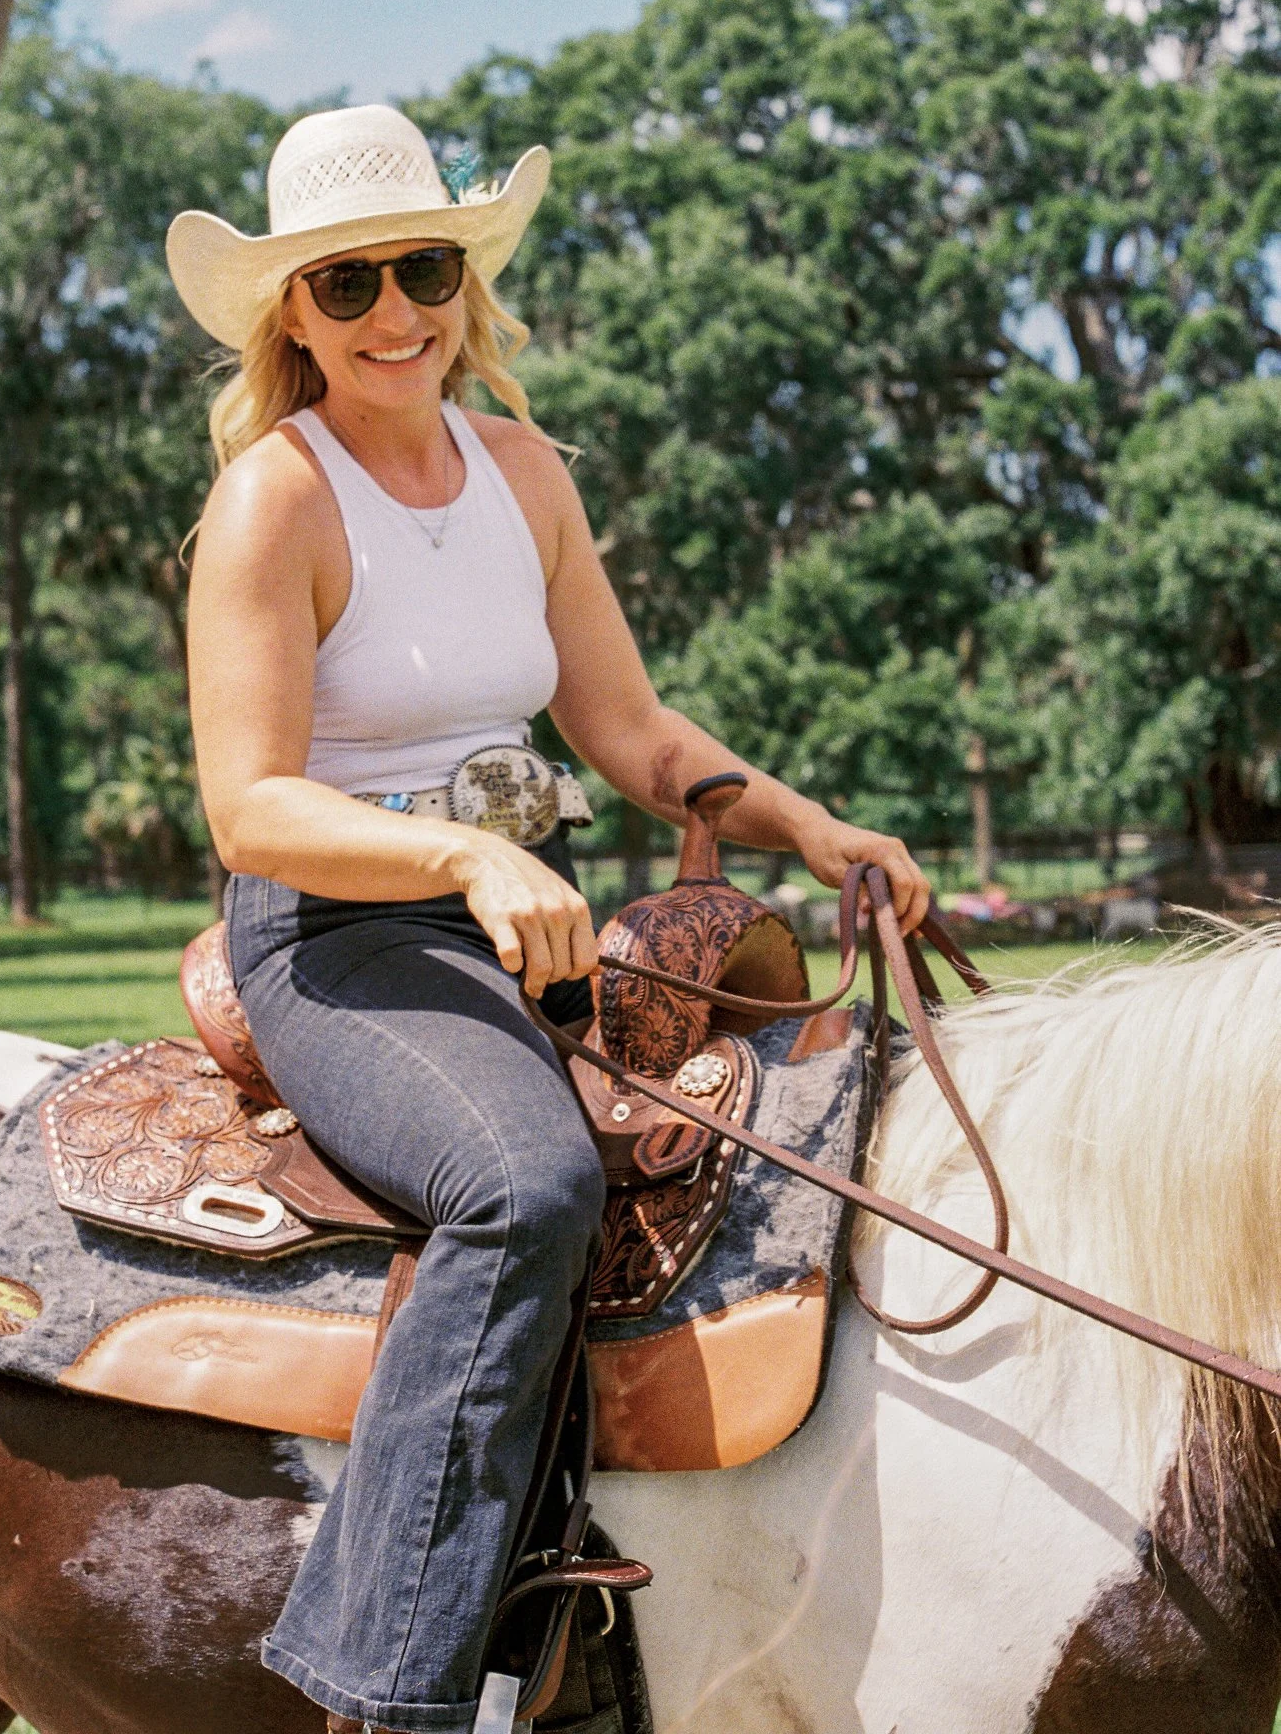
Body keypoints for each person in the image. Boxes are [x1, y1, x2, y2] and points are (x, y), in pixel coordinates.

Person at [172, 104, 931, 1734]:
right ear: (294, 309)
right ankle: (394, 1691)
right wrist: (459, 857)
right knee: (525, 1186)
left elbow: (633, 734)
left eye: (423, 270)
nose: (395, 313)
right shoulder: (274, 503)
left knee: (814, 1128)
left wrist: (807, 822)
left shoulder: (524, 474)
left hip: (524, 921)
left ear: (468, 280)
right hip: (340, 940)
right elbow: (249, 806)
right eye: (349, 282)